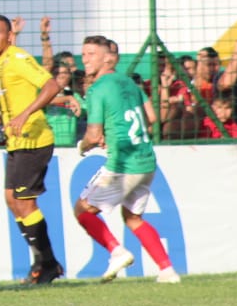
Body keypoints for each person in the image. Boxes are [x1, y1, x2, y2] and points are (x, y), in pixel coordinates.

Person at [74, 35, 181, 283]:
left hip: (123, 164)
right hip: (146, 160)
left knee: (82, 210)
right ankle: (167, 270)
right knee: (133, 218)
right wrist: (115, 131)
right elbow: (151, 117)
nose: (85, 59)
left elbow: (93, 135)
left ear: (107, 58)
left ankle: (117, 252)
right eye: (84, 54)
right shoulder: (129, 83)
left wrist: (83, 146)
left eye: (91, 54)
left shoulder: (97, 89)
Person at [0, 14, 63, 284]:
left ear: (8, 36)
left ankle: (48, 264)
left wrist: (25, 113)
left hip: (33, 140)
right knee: (12, 199)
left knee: (25, 203)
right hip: (16, 141)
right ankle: (42, 261)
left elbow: (52, 85)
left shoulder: (18, 58)